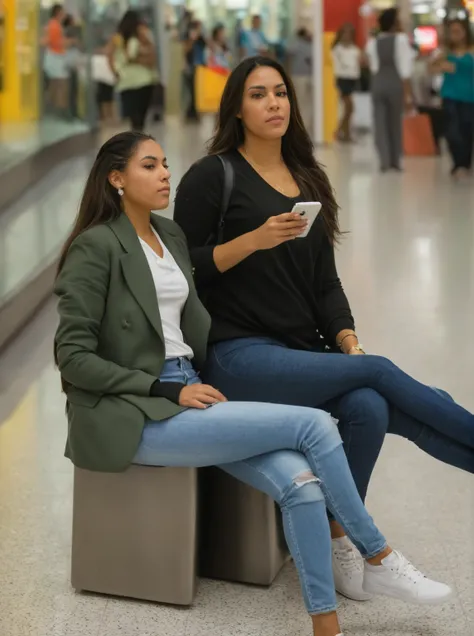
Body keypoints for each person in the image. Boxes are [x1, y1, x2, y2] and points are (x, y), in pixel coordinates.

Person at [54, 130, 452, 636]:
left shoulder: (169, 237)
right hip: (137, 411)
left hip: (191, 389)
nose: (165, 175)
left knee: (303, 486)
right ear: (116, 179)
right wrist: (166, 390)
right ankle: (378, 554)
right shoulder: (95, 247)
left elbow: (199, 309)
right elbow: (72, 359)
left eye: (165, 164)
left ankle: (325, 625)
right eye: (149, 166)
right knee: (312, 427)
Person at [173, 56, 474, 602]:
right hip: (235, 356)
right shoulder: (213, 174)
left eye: (281, 93)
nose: (274, 104)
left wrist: (347, 340)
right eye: (259, 95)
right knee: (379, 374)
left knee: (370, 404)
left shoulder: (307, 177)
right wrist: (252, 241)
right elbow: (179, 267)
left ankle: (340, 540)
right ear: (237, 108)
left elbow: (325, 284)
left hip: (297, 350)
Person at [365, 8, 415, 172]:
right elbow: (404, 69)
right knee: (395, 122)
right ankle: (395, 160)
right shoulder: (400, 40)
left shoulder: (372, 42)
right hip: (394, 83)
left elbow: (372, 66)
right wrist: (408, 95)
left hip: (378, 82)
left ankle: (384, 161)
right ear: (395, 23)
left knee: (380, 123)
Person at [430, 19, 474, 179]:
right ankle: (458, 163)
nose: (455, 35)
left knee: (467, 129)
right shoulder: (445, 52)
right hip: (450, 95)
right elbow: (431, 68)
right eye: (453, 31)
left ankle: (465, 163)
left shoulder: (471, 51)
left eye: (458, 31)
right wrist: (440, 66)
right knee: (452, 129)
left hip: (469, 96)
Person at [108, 10, 157, 131]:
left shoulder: (117, 38)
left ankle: (136, 142)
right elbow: (151, 55)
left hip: (126, 80)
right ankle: (139, 141)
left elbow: (109, 56)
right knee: (141, 118)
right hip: (144, 79)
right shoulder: (140, 37)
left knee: (134, 118)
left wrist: (115, 73)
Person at [331, 23, 361, 142]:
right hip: (342, 79)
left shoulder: (355, 49)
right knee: (349, 107)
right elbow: (338, 66)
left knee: (348, 109)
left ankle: (344, 132)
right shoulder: (337, 49)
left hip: (352, 79)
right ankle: (341, 132)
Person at [42, 4, 73, 117]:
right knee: (61, 85)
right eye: (63, 12)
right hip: (55, 57)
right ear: (58, 13)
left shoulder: (54, 25)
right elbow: (55, 42)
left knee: (54, 86)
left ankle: (54, 109)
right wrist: (69, 42)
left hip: (55, 57)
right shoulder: (54, 26)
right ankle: (61, 111)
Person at [288, 28, 313, 133]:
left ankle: (305, 124)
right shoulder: (297, 44)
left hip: (307, 76)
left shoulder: (312, 46)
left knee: (307, 101)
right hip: (299, 76)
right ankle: (299, 124)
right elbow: (289, 57)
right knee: (301, 100)